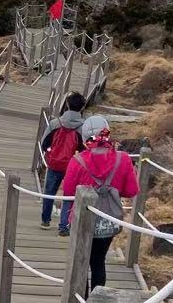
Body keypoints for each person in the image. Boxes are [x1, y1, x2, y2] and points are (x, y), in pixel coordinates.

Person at [61, 115, 140, 290]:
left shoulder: (77, 160)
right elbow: (131, 191)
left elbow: (68, 191)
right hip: (108, 220)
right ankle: (97, 302)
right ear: (107, 133)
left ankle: (81, 300)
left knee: (82, 260)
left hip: (83, 219)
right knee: (98, 261)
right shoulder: (123, 158)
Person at [39, 92, 86, 230]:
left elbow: (44, 143)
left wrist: (51, 152)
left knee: (49, 191)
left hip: (54, 163)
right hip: (74, 165)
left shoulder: (55, 123)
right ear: (82, 108)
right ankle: (64, 226)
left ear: (66, 105)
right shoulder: (83, 128)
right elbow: (85, 149)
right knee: (69, 195)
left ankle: (45, 221)